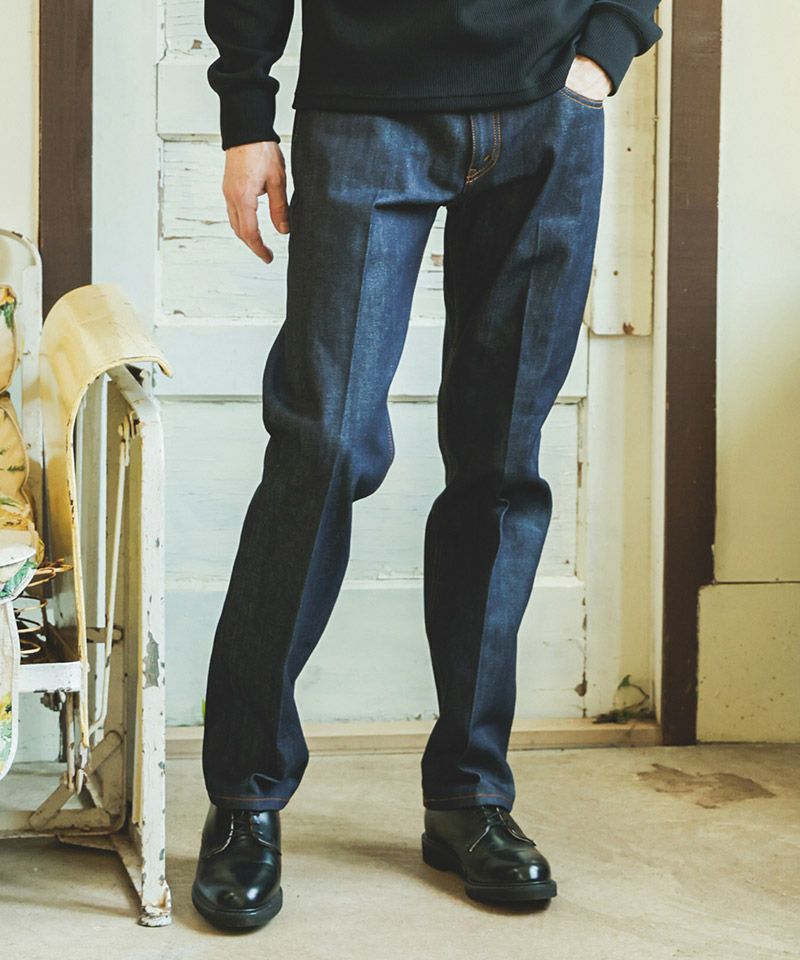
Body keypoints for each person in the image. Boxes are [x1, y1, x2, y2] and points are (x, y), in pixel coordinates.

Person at [191, 0, 663, 931]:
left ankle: (468, 793)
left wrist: (603, 54)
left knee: (501, 461)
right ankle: (245, 795)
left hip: (549, 105)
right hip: (365, 111)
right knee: (323, 445)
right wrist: (246, 113)